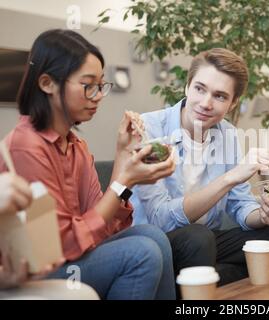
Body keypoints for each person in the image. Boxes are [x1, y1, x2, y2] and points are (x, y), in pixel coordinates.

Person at [0, 29, 176, 299]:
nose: (98, 96)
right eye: (88, 85)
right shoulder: (26, 146)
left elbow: (105, 225)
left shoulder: (76, 146)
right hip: (41, 267)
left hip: (70, 254)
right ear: (47, 83)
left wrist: (124, 154)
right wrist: (125, 180)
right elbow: (61, 246)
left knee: (154, 236)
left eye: (101, 85)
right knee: (142, 253)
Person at [131, 48, 269, 286]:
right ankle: (208, 290)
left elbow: (240, 206)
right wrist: (230, 177)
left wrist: (263, 214)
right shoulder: (149, 128)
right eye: (199, 89)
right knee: (198, 238)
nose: (206, 103)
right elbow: (161, 219)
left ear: (232, 104)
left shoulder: (228, 134)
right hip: (156, 244)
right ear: (187, 87)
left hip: (207, 242)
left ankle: (221, 291)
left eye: (220, 96)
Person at [0, 172, 98, 299]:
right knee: (131, 255)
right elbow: (69, 242)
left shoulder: (81, 157)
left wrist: (6, 278)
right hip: (71, 259)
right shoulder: (25, 153)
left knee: (84, 295)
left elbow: (113, 225)